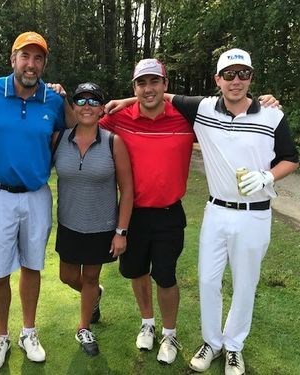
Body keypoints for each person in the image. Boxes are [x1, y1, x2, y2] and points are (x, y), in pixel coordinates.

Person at [166, 48, 299, 375]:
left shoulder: (271, 115)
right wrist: (121, 102)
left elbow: (291, 158)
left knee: (244, 283)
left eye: (242, 74)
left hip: (255, 214)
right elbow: (157, 94)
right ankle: (212, 342)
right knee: (208, 281)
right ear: (218, 80)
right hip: (216, 211)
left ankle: (234, 346)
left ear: (251, 78)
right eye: (229, 75)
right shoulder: (203, 109)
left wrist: (267, 175)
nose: (236, 81)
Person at [0, 31, 72, 370]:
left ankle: (28, 331)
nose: (31, 63)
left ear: (43, 64)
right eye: (25, 56)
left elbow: (74, 126)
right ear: (13, 59)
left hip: (38, 194)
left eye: (38, 58)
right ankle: (1, 335)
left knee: (32, 266)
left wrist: (66, 95)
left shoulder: (53, 100)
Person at [98, 58, 195, 364]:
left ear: (166, 86)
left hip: (169, 213)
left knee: (165, 275)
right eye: (141, 83)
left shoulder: (185, 117)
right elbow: (83, 121)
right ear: (134, 87)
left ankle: (169, 333)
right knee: (136, 272)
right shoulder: (119, 118)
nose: (148, 88)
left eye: (155, 82)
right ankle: (147, 324)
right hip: (133, 213)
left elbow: (225, 105)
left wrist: (265, 102)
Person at [52, 82, 133, 356]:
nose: (86, 106)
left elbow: (128, 189)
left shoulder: (113, 142)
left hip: (101, 226)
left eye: (93, 101)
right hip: (69, 224)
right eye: (81, 101)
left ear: (101, 109)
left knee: (89, 276)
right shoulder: (59, 139)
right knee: (68, 276)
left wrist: (121, 231)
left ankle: (83, 327)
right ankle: (96, 294)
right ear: (74, 107)